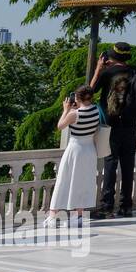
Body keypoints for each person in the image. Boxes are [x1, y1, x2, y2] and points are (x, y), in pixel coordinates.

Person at [90, 42, 136, 219]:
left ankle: (107, 206)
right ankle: (126, 206)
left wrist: (98, 69)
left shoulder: (108, 73)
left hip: (112, 124)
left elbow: (89, 91)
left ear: (111, 57)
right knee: (127, 164)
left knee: (110, 163)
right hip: (131, 124)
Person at [46, 85, 100, 229]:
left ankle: (52, 216)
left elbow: (60, 126)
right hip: (89, 150)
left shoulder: (74, 114)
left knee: (64, 180)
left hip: (75, 149)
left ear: (77, 98)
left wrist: (66, 110)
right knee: (82, 182)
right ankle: (78, 216)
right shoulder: (96, 110)